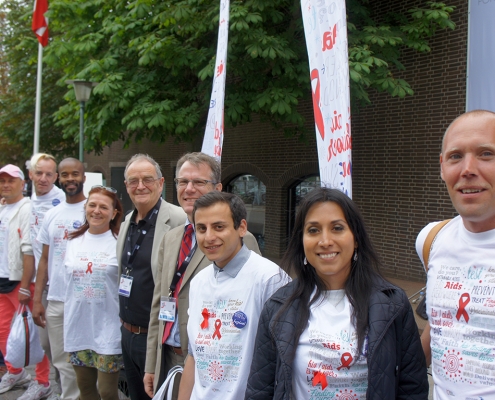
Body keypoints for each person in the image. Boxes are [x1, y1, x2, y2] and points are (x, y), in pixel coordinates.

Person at [246, 187, 428, 399]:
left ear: (356, 238)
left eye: (337, 228)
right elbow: (260, 390)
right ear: (302, 241)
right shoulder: (278, 307)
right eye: (313, 230)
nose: (325, 241)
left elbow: (412, 389)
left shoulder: (393, 305)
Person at [144, 152, 261, 398]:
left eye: (198, 182)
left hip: (208, 365)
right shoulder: (171, 237)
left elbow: (252, 308)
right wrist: (151, 363)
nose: (189, 189)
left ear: (217, 187)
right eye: (182, 182)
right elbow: (159, 302)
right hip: (166, 354)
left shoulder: (241, 240)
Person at [177, 192, 290, 399]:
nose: (209, 237)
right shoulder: (198, 282)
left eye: (219, 227)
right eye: (201, 228)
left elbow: (283, 362)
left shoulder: (270, 279)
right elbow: (194, 357)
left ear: (242, 228)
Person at [416, 110, 495, 399]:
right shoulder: (431, 240)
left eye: (486, 154)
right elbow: (441, 324)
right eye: (455, 156)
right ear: (441, 167)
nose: (468, 169)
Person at [117, 154, 186, 400]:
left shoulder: (178, 219)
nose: (140, 186)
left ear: (161, 183)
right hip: (127, 332)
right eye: (133, 181)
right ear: (126, 186)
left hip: (155, 339)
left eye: (147, 179)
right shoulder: (127, 221)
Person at [32, 158, 86, 400]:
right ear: (59, 179)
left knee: (82, 359)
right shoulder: (52, 214)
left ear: (84, 177)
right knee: (59, 359)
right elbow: (44, 259)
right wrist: (37, 299)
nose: (70, 179)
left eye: (75, 174)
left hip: (84, 298)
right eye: (65, 175)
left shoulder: (94, 209)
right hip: (56, 298)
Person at [64, 185, 124, 400]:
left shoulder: (120, 243)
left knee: (108, 392)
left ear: (114, 213)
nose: (97, 211)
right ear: (86, 208)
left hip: (108, 329)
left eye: (103, 207)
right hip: (79, 328)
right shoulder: (72, 241)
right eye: (92, 205)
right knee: (86, 391)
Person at [0, 164, 52, 399]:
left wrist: (25, 285)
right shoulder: (1, 207)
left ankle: (42, 382)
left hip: (20, 283)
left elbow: (29, 249)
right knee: (4, 334)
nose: (6, 185)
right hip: (2, 280)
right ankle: (15, 372)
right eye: (2, 181)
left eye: (11, 181)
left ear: (23, 184)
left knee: (31, 335)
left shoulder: (27, 208)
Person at [28, 153, 65, 378]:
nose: (43, 178)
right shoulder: (28, 200)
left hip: (61, 286)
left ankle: (66, 390)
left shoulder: (61, 200)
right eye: (39, 173)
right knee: (46, 344)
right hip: (40, 283)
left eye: (48, 174)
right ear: (31, 174)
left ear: (55, 177)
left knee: (60, 346)